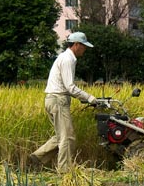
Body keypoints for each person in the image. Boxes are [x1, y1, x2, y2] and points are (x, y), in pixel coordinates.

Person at [29, 32, 97, 172]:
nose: (85, 49)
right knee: (68, 137)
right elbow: (70, 87)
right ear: (76, 44)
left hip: (52, 99)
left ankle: (37, 157)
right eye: (83, 46)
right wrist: (89, 97)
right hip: (58, 100)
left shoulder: (65, 57)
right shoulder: (68, 59)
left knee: (61, 135)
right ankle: (64, 171)